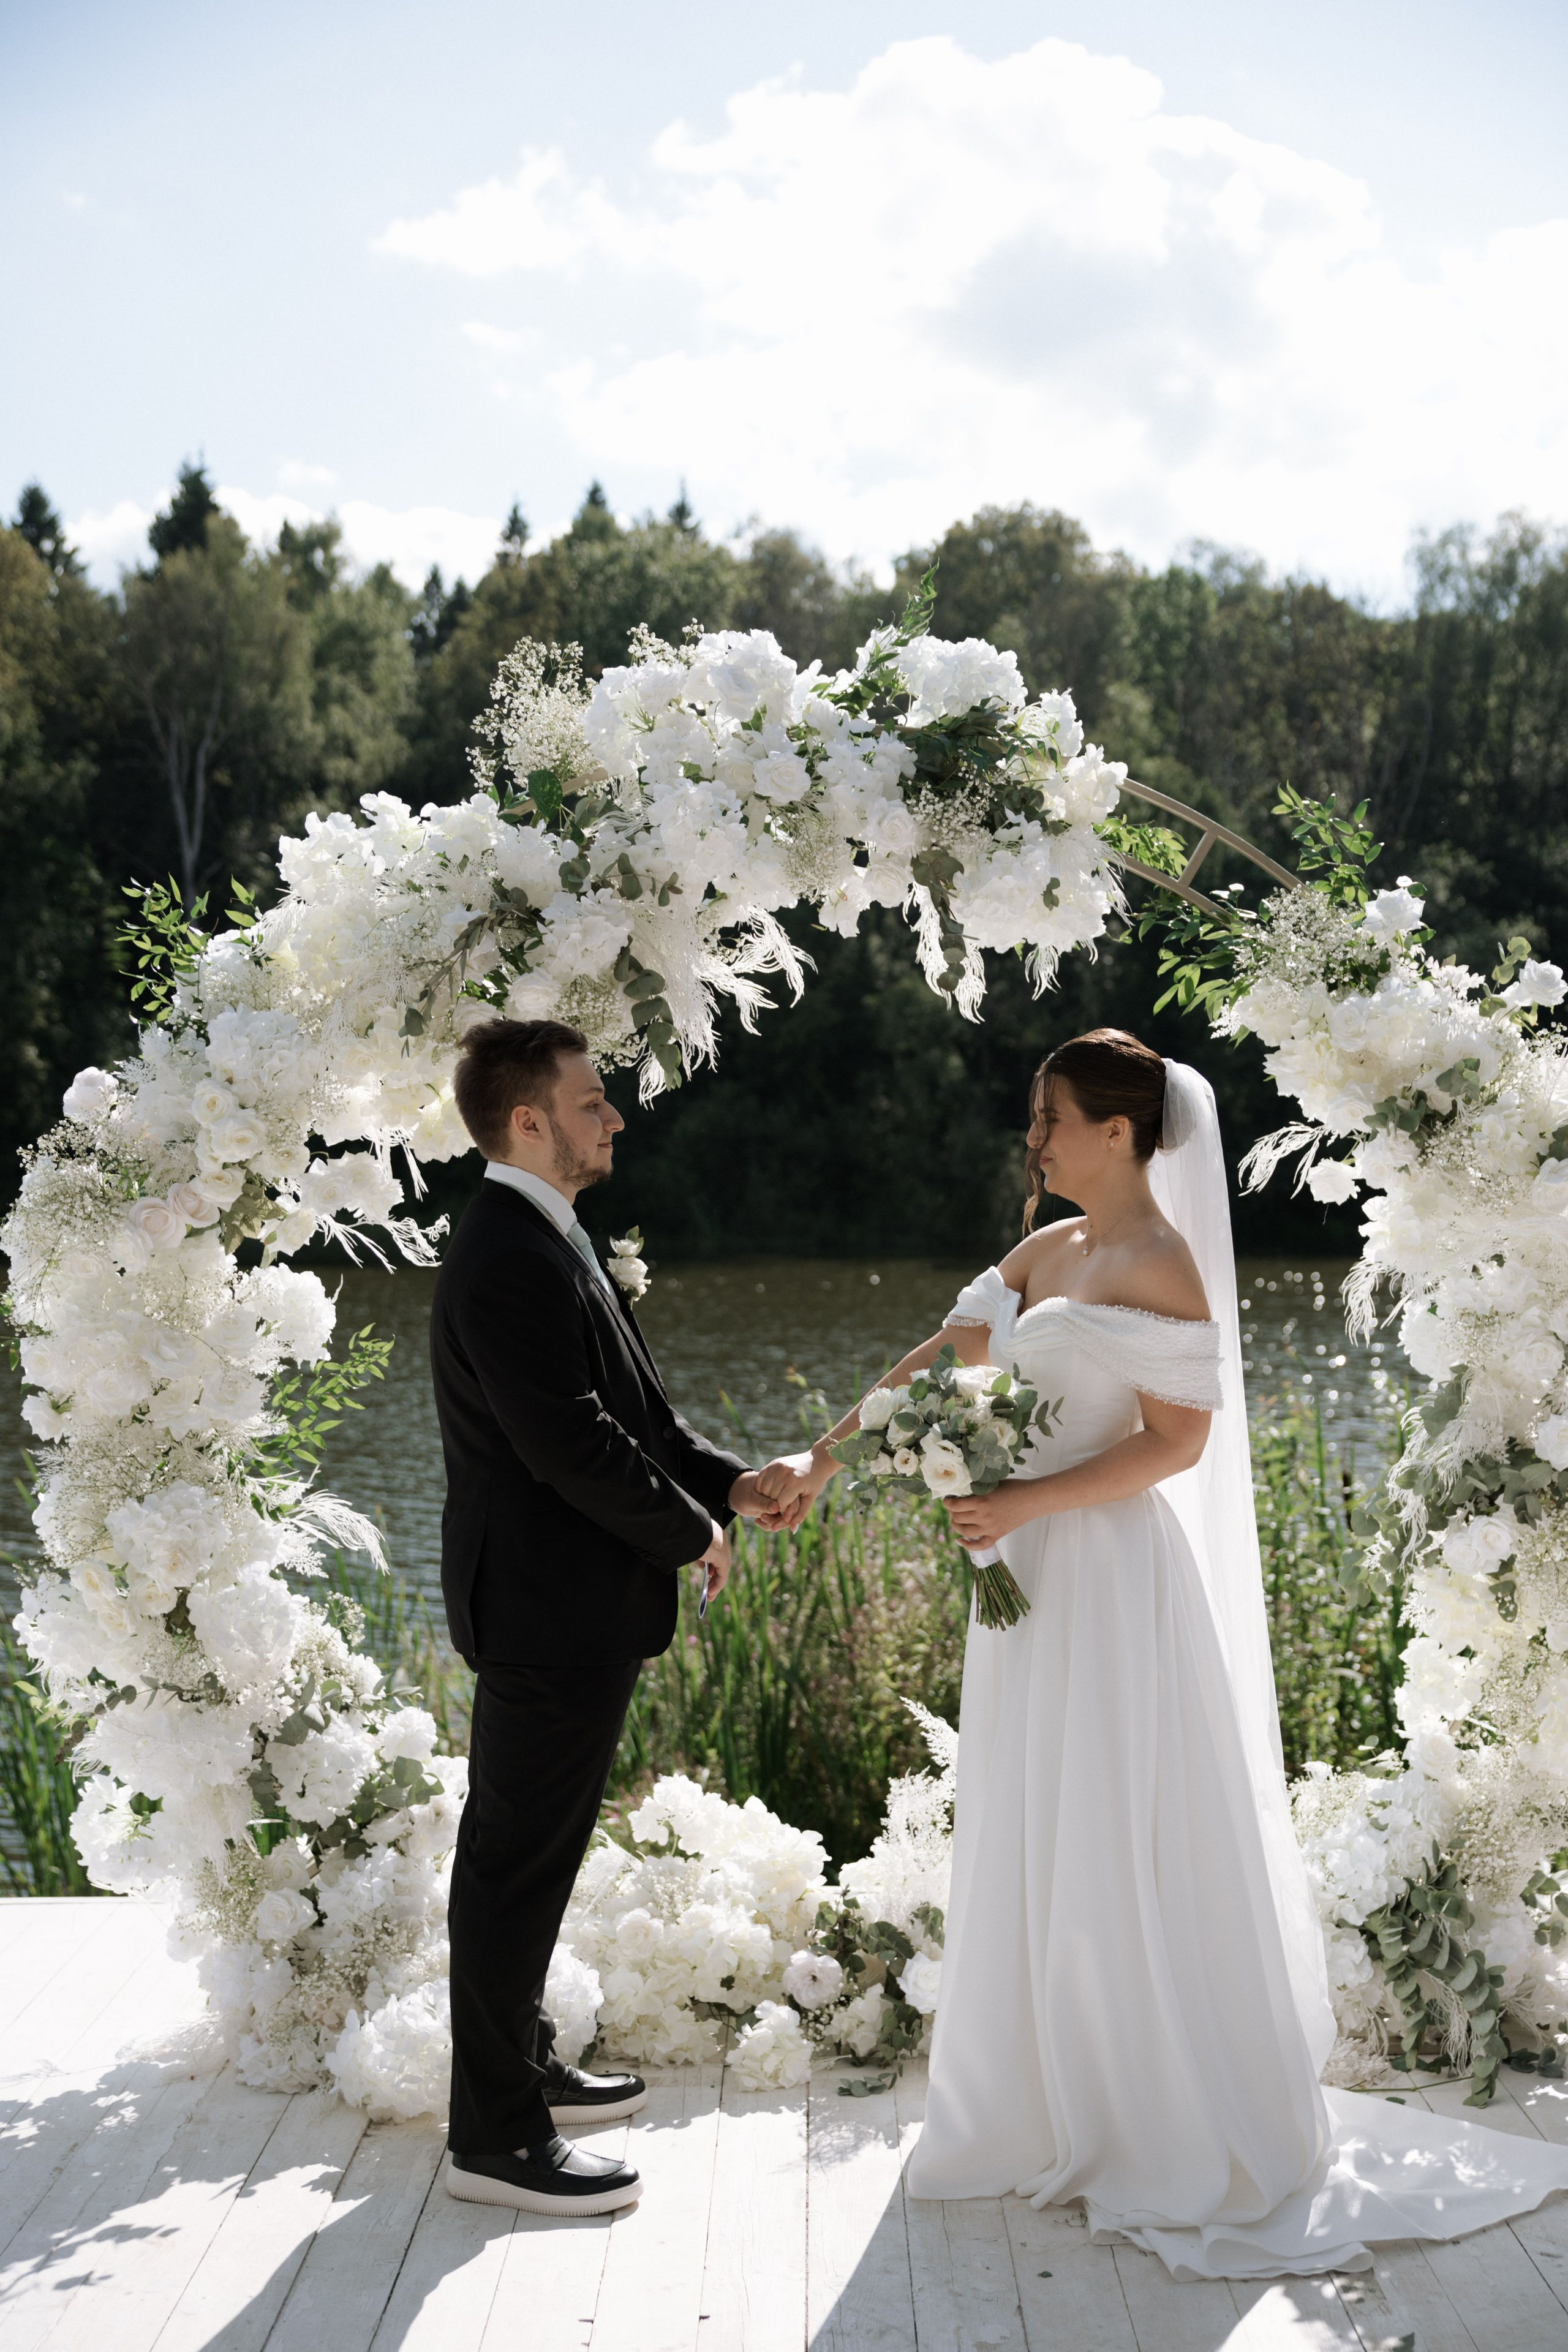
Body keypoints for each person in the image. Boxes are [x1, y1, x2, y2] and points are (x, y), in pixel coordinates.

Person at [758, 1027, 1568, 2279]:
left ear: (1118, 1131)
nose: (1032, 1137)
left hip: (1103, 1570)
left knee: (1114, 1819)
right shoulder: (1045, 1248)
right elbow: (938, 1364)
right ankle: (1030, 2102)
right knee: (1031, 1815)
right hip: (1016, 1573)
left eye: (1049, 1116)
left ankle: (1149, 2112)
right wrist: (822, 1454)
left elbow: (1175, 1445)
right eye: (1034, 1116)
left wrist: (1022, 1502)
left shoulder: (1159, 1261)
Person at [431, 1017, 780, 2218]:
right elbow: (566, 1444)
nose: (614, 1117)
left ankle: (520, 2063)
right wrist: (691, 1533)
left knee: (537, 1857)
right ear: (526, 1121)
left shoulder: (546, 1235)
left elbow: (637, 1419)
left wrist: (731, 1482)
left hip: (569, 1605)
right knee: (510, 1863)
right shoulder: (503, 1254)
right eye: (591, 1102)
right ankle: (493, 2137)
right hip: (539, 1607)